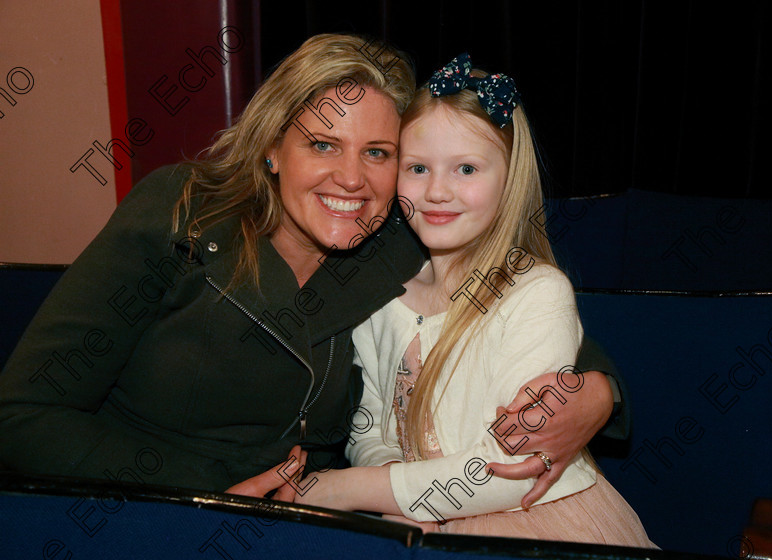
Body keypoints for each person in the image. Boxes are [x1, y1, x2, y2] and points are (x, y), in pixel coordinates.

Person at [0, 35, 623, 499]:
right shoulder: (184, 212)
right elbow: (21, 417)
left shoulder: (397, 238)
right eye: (323, 144)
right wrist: (205, 488)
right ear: (272, 146)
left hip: (315, 525)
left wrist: (598, 394)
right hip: (145, 516)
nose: (351, 179)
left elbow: (526, 312)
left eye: (378, 153)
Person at [231, 53, 655, 547]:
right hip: (417, 520)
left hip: (530, 520)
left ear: (510, 178)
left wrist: (342, 488)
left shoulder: (537, 293)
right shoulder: (384, 293)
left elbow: (514, 462)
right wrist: (399, 494)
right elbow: (370, 426)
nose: (436, 191)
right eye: (417, 168)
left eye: (467, 168)